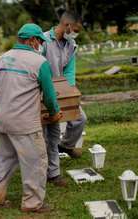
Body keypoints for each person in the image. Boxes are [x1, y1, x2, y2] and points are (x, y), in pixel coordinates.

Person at [0, 23, 62, 213]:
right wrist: (54, 113)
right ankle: (32, 204)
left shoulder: (3, 58)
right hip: (24, 123)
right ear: (32, 40)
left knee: (6, 159)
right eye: (40, 41)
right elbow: (49, 96)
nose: (40, 45)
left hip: (3, 120)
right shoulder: (39, 62)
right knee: (36, 162)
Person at [42, 11, 87, 187]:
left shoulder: (71, 44)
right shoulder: (43, 41)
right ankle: (52, 172)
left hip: (62, 91)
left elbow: (69, 71)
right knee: (50, 132)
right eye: (75, 29)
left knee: (80, 118)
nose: (76, 33)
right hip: (44, 93)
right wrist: (49, 93)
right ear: (67, 25)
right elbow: (38, 68)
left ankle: (66, 146)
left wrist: (69, 93)